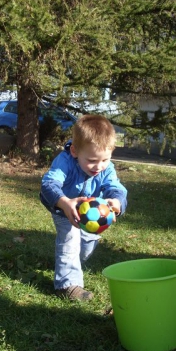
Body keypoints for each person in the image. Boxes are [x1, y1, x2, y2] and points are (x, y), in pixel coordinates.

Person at [40, 114, 128, 301]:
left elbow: (115, 187)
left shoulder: (107, 168)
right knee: (70, 239)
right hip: (64, 207)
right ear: (74, 151)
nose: (98, 166)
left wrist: (117, 201)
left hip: (93, 215)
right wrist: (64, 203)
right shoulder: (64, 162)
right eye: (92, 160)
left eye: (104, 160)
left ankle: (68, 262)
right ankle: (68, 285)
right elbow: (49, 184)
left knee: (86, 245)